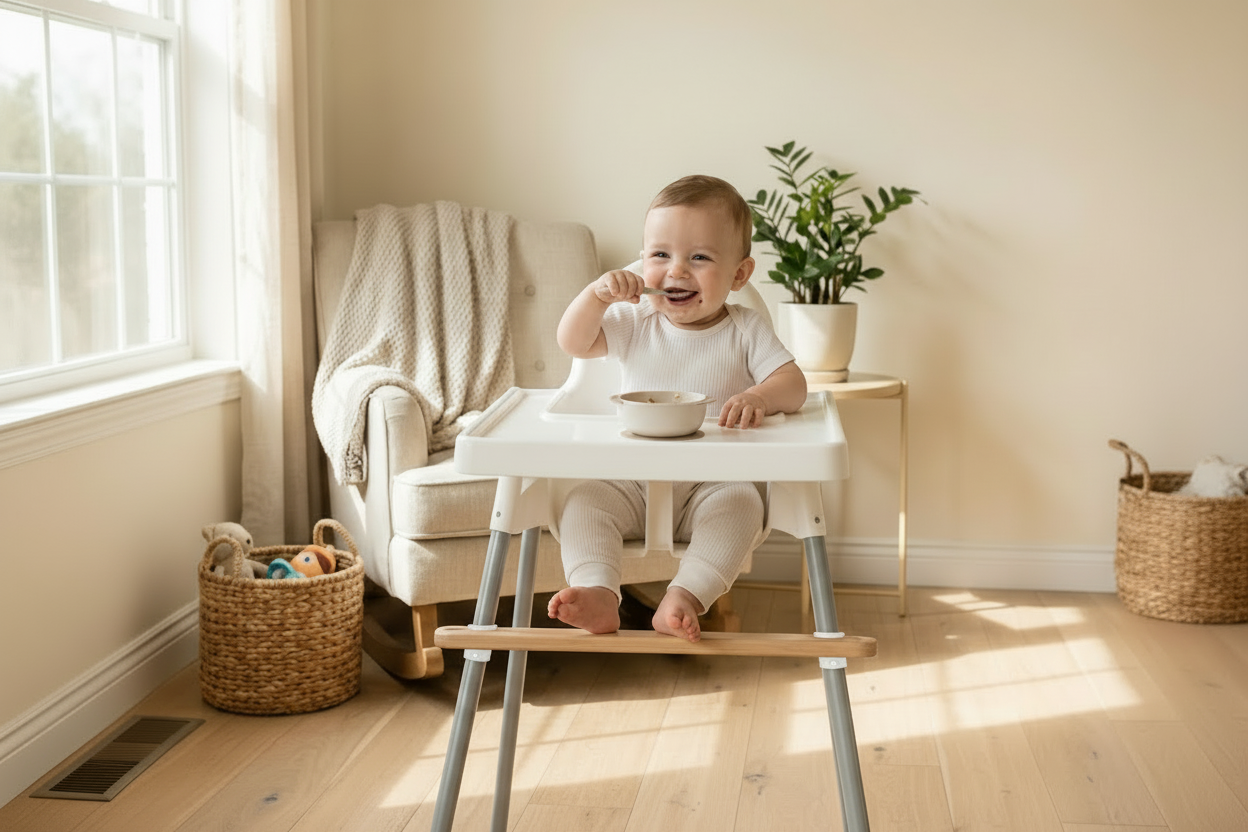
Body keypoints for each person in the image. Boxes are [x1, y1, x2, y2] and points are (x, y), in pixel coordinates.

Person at [547, 174, 808, 642]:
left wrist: (758, 397)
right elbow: (574, 341)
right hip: (630, 479)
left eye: (700, 257)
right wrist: (596, 296)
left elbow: (794, 384)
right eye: (660, 255)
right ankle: (599, 592)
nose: (677, 271)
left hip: (714, 481)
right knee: (583, 502)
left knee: (743, 506)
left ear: (739, 275)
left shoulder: (744, 329)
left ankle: (685, 596)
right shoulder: (634, 320)